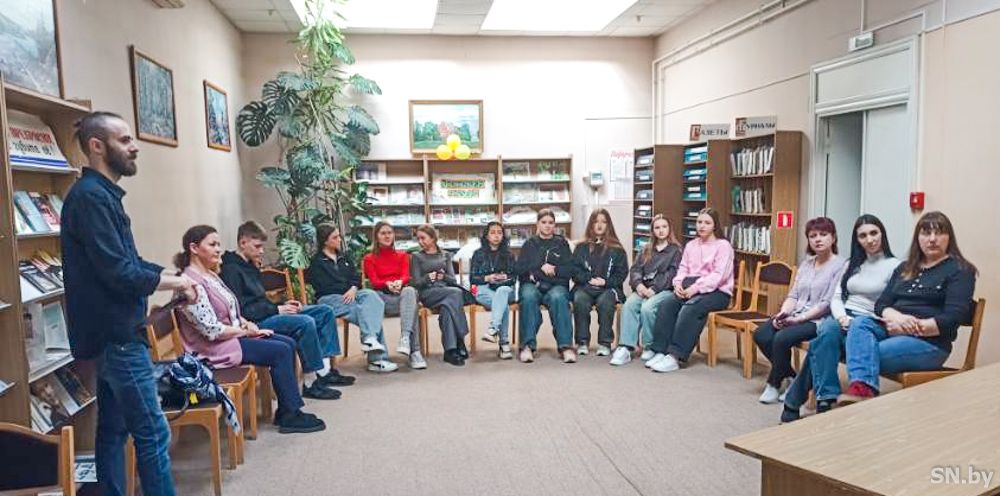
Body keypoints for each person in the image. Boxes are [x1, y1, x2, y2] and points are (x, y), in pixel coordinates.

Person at [62, 111, 196, 496]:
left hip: (113, 335)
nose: (135, 147)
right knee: (153, 433)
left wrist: (173, 277)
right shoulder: (91, 199)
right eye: (124, 140)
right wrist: (178, 281)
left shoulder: (101, 196)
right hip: (118, 337)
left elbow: (131, 262)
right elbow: (118, 272)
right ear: (96, 146)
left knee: (113, 429)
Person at [174, 225, 326, 434]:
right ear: (194, 248)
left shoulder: (210, 275)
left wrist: (246, 323)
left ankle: (286, 410)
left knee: (288, 343)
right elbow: (212, 331)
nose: (218, 249)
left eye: (218, 244)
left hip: (230, 337)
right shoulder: (190, 283)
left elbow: (232, 309)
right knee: (280, 351)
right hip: (211, 349)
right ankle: (291, 415)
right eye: (212, 244)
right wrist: (246, 332)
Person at [836, 211, 977, 405]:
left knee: (862, 352)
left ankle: (862, 391)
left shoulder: (960, 270)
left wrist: (909, 328)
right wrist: (899, 319)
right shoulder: (905, 268)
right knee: (860, 323)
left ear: (949, 237)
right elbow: (881, 305)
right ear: (918, 238)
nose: (932, 239)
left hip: (930, 343)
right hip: (893, 328)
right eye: (926, 233)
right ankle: (863, 390)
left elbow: (954, 317)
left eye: (939, 233)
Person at [780, 214, 899, 422]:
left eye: (874, 233)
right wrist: (843, 318)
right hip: (845, 317)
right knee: (827, 330)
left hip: (872, 322)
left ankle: (800, 401)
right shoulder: (853, 264)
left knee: (819, 343)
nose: (869, 240)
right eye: (863, 235)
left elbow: (891, 303)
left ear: (882, 234)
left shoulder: (896, 265)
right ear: (857, 240)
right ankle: (827, 397)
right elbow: (837, 297)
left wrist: (857, 321)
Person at [219, 221, 352, 400]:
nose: (262, 251)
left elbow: (260, 299)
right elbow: (242, 310)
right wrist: (277, 309)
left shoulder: (249, 265)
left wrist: (285, 303)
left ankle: (325, 372)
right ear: (243, 243)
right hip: (255, 322)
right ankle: (311, 382)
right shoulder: (231, 270)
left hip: (268, 312)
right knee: (305, 323)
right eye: (257, 246)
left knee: (324, 312)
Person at [753, 217, 846, 404]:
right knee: (761, 334)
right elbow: (793, 295)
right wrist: (783, 313)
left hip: (819, 320)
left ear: (833, 238)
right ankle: (791, 376)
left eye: (823, 234)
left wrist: (798, 320)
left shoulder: (841, 265)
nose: (818, 239)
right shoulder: (807, 264)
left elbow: (827, 303)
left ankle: (773, 383)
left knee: (781, 338)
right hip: (795, 314)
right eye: (813, 236)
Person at [647, 208, 734, 373]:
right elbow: (683, 269)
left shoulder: (723, 246)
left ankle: (675, 356)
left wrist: (696, 288)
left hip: (718, 292)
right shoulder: (691, 245)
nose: (702, 226)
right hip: (691, 287)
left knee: (691, 308)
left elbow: (719, 276)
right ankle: (660, 350)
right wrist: (677, 284)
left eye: (707, 223)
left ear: (715, 225)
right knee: (667, 304)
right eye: (699, 222)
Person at [307, 224, 397, 373]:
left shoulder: (344, 257)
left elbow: (355, 277)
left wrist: (354, 288)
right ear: (325, 241)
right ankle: (377, 359)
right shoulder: (316, 262)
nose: (339, 240)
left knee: (371, 296)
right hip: (329, 299)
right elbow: (323, 287)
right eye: (335, 237)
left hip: (351, 294)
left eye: (339, 236)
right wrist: (345, 289)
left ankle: (370, 340)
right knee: (368, 314)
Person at [611, 214, 682, 366]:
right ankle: (626, 347)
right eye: (657, 227)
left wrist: (654, 289)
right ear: (652, 230)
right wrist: (639, 285)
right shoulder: (646, 249)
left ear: (669, 229)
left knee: (647, 308)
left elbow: (672, 274)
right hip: (643, 288)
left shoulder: (675, 251)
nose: (661, 230)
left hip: (664, 290)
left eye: (664, 227)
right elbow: (635, 270)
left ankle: (649, 345)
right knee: (629, 305)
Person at [514, 209, 576, 363]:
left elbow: (570, 269)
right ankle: (527, 346)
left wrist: (554, 269)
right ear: (538, 224)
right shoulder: (529, 244)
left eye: (551, 222)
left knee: (559, 298)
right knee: (528, 296)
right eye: (544, 222)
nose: (547, 225)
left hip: (556, 285)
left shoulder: (562, 243)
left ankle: (566, 347)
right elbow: (520, 269)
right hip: (532, 285)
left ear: (555, 225)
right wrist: (540, 268)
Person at [362, 222, 426, 369]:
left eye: (389, 233)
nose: (387, 236)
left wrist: (399, 282)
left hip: (401, 297)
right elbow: (374, 281)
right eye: (383, 233)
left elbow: (405, 276)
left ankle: (406, 340)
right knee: (411, 307)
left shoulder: (403, 255)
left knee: (410, 292)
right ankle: (415, 351)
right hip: (382, 298)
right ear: (376, 237)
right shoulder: (369, 258)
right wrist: (387, 284)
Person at [410, 225, 472, 366]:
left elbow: (453, 280)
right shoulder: (417, 257)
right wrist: (428, 278)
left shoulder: (445, 255)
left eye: (423, 238)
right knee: (456, 293)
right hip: (428, 293)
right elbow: (415, 283)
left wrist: (442, 276)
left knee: (447, 309)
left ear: (433, 238)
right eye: (418, 238)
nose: (420, 241)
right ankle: (460, 339)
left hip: (446, 292)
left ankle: (450, 351)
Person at [571, 208, 628, 357]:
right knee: (580, 300)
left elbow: (621, 274)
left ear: (608, 225)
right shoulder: (581, 247)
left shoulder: (617, 249)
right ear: (591, 224)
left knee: (605, 302)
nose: (599, 225)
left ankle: (604, 343)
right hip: (585, 286)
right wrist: (588, 279)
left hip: (608, 288)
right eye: (596, 222)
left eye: (603, 222)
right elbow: (574, 270)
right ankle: (582, 342)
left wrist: (605, 282)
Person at [470, 221, 516, 360]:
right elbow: (473, 278)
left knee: (502, 293)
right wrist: (487, 278)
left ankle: (493, 329)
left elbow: (514, 278)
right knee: (503, 305)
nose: (496, 236)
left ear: (503, 236)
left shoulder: (509, 254)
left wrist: (504, 277)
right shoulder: (478, 254)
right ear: (486, 235)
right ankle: (504, 343)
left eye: (499, 233)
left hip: (505, 288)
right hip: (485, 289)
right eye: (493, 232)